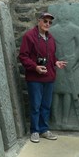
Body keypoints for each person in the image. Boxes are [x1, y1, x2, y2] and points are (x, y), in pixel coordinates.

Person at [19, 12, 67, 143]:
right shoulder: (29, 36)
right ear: (39, 21)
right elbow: (23, 56)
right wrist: (35, 67)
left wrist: (56, 62)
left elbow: (51, 56)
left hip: (49, 77)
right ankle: (35, 130)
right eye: (45, 21)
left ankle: (44, 129)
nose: (47, 24)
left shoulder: (50, 38)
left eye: (50, 22)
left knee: (46, 105)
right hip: (35, 78)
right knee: (35, 105)